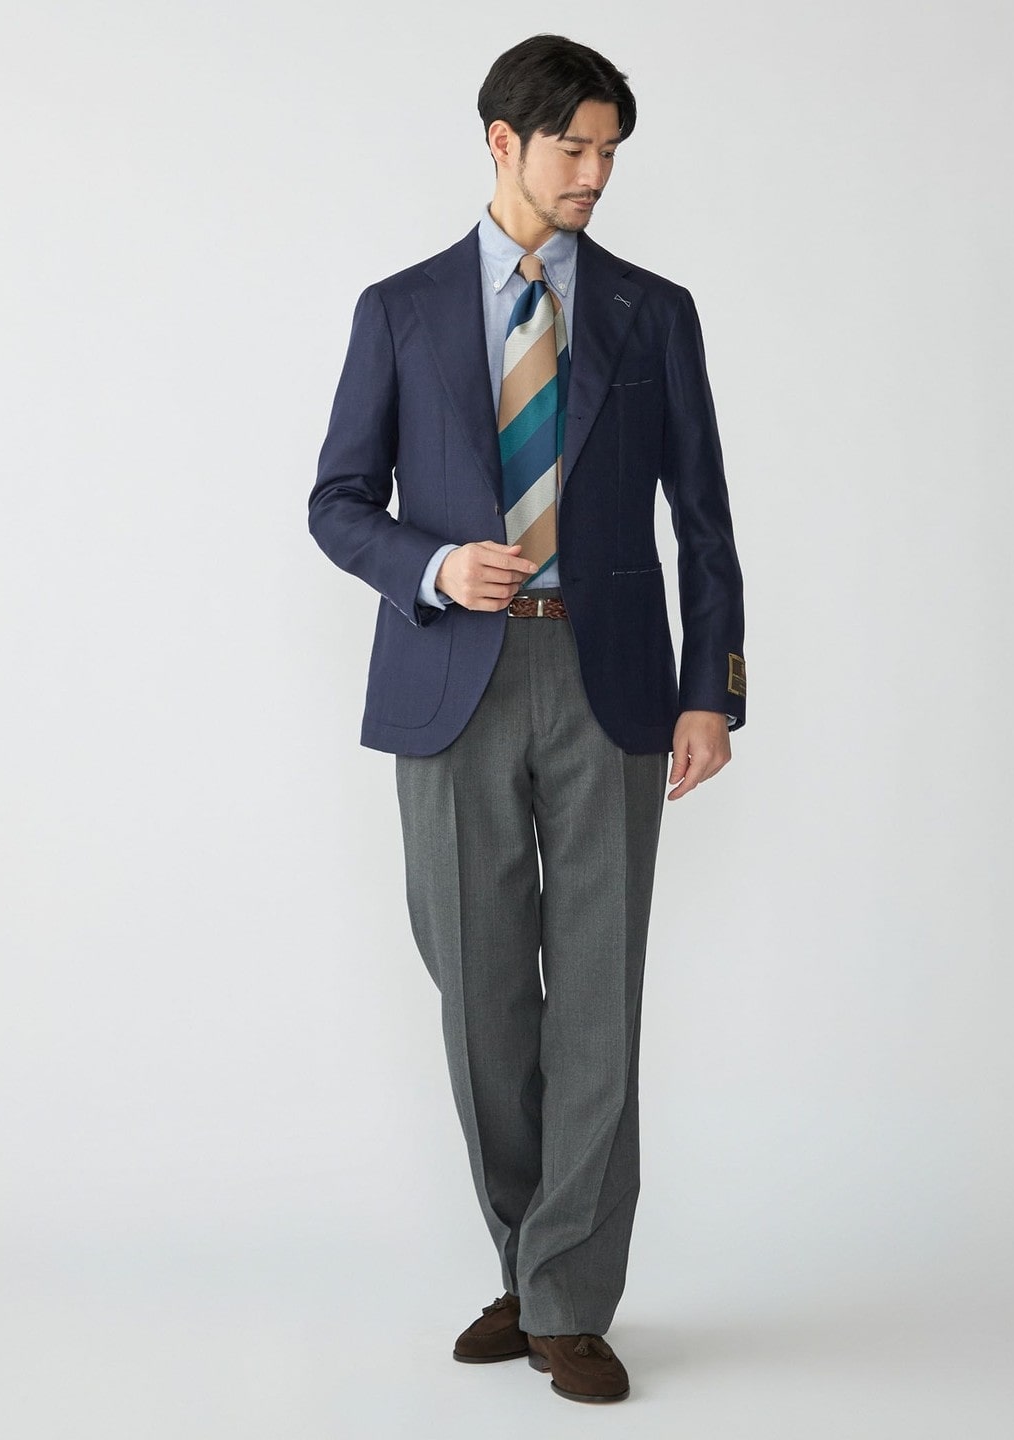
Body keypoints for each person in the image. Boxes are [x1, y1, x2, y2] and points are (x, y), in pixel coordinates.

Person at [308, 34, 745, 1405]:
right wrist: (437, 566)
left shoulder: (653, 312)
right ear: (503, 141)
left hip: (613, 683)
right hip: (454, 683)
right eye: (576, 147)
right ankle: (528, 1259)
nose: (597, 173)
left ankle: (567, 1298)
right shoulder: (400, 310)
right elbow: (336, 503)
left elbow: (705, 518)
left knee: (599, 995)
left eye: (612, 151)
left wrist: (711, 690)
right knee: (482, 998)